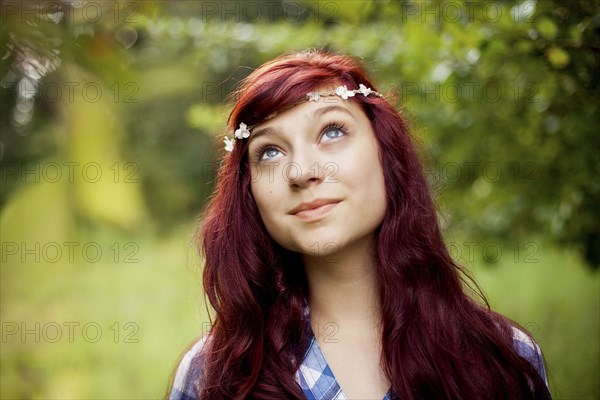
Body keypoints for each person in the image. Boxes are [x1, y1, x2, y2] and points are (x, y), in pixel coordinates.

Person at [167, 49, 551, 399]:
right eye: (270, 151)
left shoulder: (504, 361)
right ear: (249, 193)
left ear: (387, 155)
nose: (302, 171)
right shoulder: (212, 378)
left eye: (332, 131)